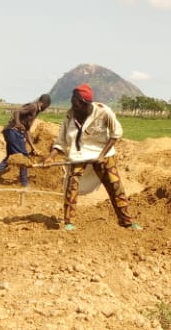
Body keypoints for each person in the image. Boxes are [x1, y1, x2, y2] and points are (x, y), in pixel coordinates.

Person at [44, 83, 140, 231]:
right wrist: (51, 157)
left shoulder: (103, 112)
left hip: (103, 154)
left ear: (84, 103)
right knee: (72, 186)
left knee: (115, 186)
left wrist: (102, 155)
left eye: (75, 103)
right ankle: (69, 222)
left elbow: (116, 134)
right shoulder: (70, 115)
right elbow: (61, 141)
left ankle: (126, 221)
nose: (72, 106)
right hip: (78, 156)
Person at [0, 94, 51, 187]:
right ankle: (24, 184)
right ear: (44, 104)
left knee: (11, 156)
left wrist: (33, 148)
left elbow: (27, 131)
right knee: (24, 157)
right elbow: (16, 112)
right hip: (14, 131)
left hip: (11, 132)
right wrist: (17, 123)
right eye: (47, 107)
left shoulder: (36, 110)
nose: (46, 109)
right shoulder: (33, 107)